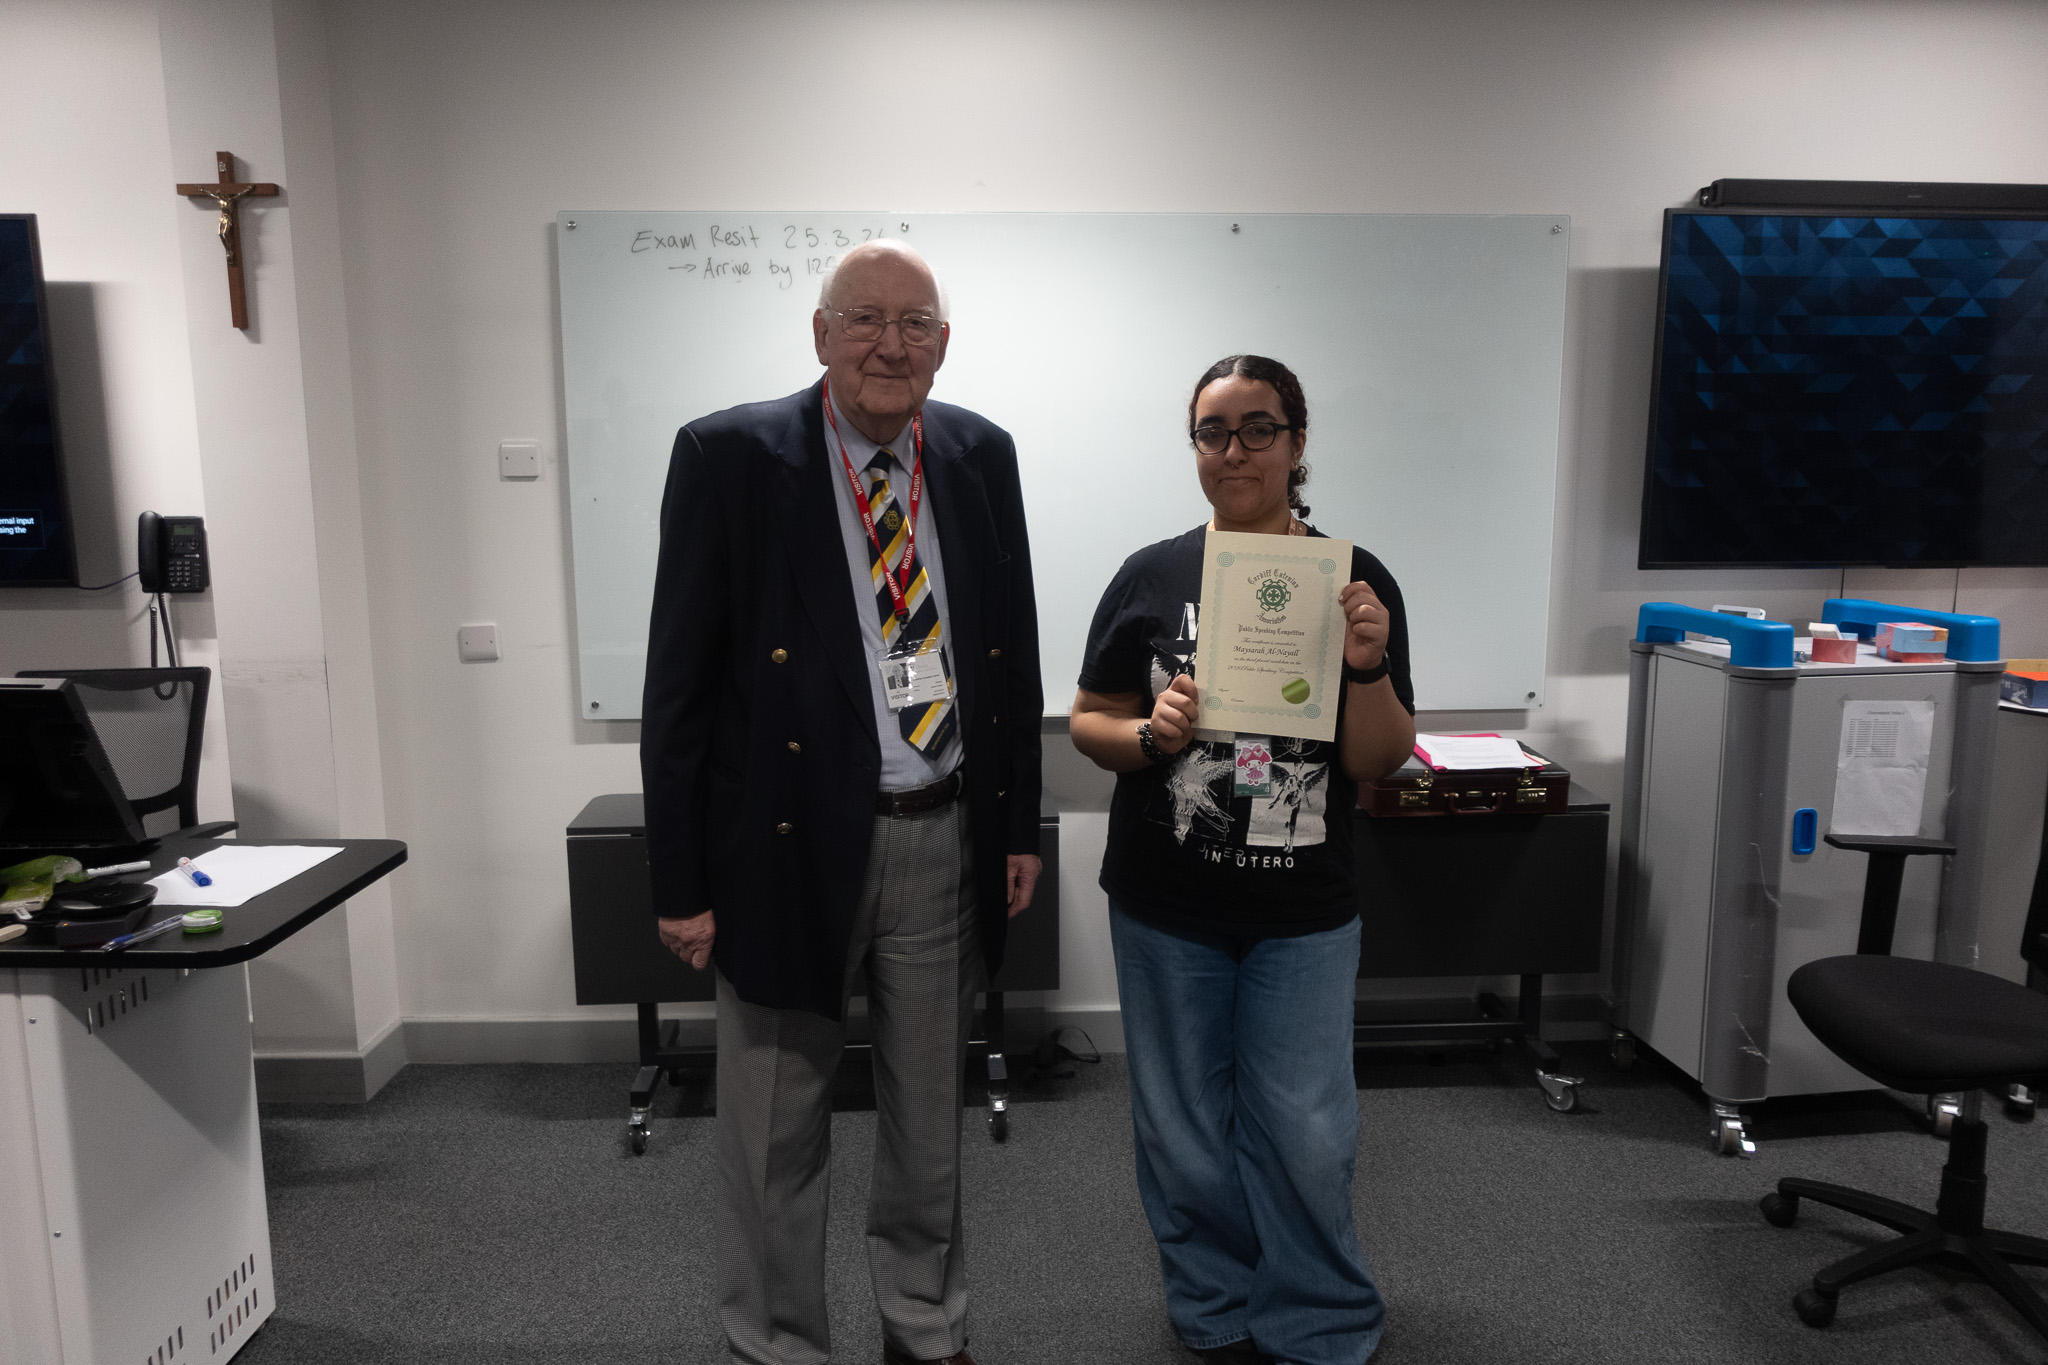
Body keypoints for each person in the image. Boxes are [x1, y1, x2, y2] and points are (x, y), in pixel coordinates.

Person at [641, 239, 1043, 1365]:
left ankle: (925, 1323)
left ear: (943, 346)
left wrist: (1015, 826)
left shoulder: (974, 453)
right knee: (775, 1128)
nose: (889, 343)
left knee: (929, 1127)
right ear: (819, 335)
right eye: (864, 319)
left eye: (914, 324)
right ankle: (776, 1340)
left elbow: (1007, 656)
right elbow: (676, 685)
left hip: (940, 834)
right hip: (781, 848)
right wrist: (680, 880)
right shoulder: (728, 456)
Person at [1069, 355, 1416, 1365]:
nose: (1233, 451)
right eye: (1212, 432)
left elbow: (1375, 758)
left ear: (1297, 444)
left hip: (1301, 906)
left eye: (1256, 428)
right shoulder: (1150, 575)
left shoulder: (1355, 577)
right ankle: (1213, 1306)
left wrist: (1368, 666)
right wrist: (1150, 736)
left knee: (1305, 1128)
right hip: (1163, 899)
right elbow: (1091, 718)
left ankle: (1317, 1317)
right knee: (1179, 1129)